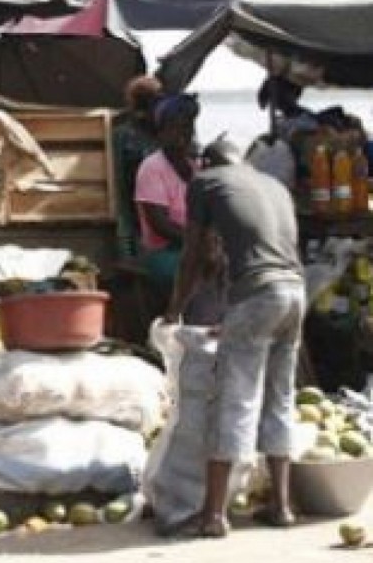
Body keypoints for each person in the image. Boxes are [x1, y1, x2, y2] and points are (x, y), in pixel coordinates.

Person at [166, 137, 305, 539]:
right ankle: (280, 506)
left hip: (260, 294)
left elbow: (193, 253)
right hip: (294, 292)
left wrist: (175, 309)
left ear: (206, 162)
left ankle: (212, 515)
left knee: (235, 400)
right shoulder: (273, 185)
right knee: (280, 397)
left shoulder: (206, 182)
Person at [134, 93, 201, 290]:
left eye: (187, 127)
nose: (182, 133)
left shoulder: (196, 167)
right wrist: (199, 242)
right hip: (163, 253)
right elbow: (160, 225)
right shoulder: (152, 168)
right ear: (161, 133)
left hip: (194, 247)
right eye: (174, 127)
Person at [113, 75, 164, 259]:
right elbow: (119, 183)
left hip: (152, 211)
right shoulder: (124, 135)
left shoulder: (162, 135)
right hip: (138, 211)